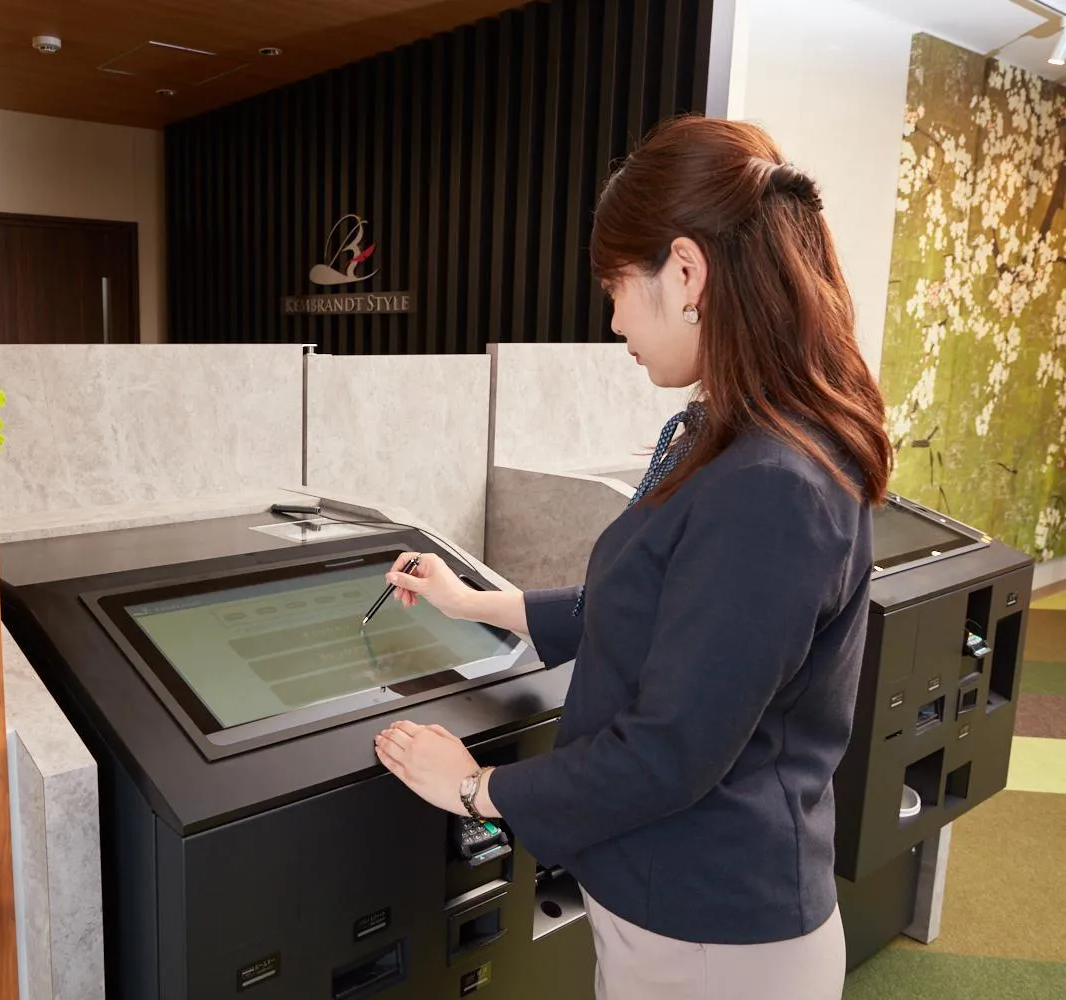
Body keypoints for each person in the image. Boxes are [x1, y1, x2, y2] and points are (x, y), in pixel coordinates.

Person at [371, 115, 891, 1000]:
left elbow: (669, 752)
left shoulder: (771, 484)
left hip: (714, 932)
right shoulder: (723, 433)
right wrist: (477, 604)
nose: (613, 320)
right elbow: (650, 606)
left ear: (686, 273)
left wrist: (475, 789)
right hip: (675, 913)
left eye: (617, 286)